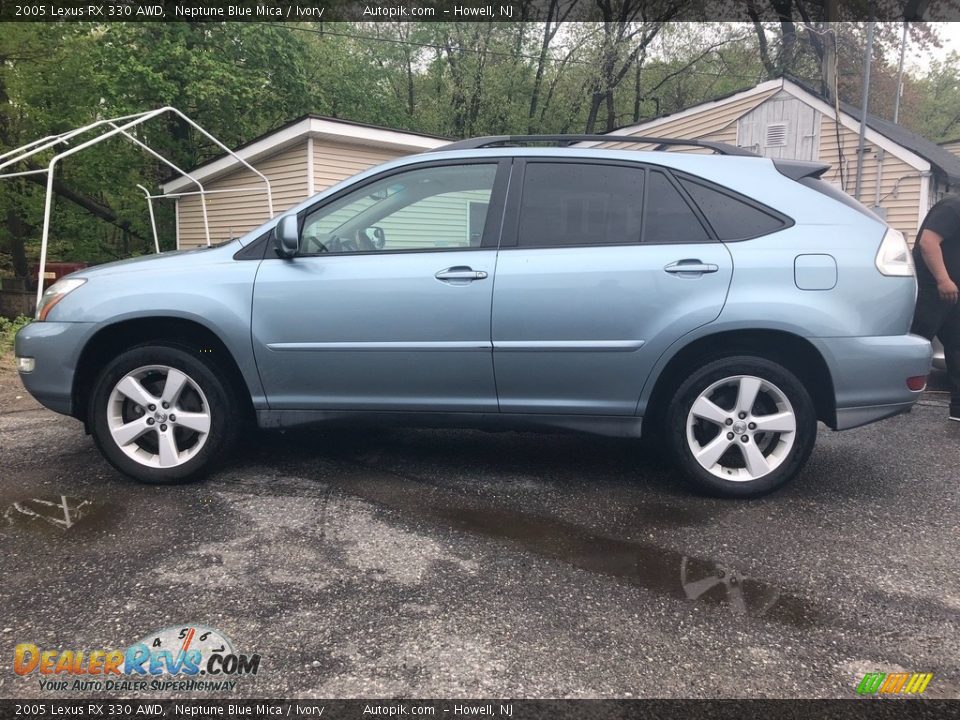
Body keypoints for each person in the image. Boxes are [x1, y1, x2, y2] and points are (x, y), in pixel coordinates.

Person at [911, 193, 960, 421]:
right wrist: (943, 279)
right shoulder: (952, 207)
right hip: (932, 290)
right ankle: (894, 399)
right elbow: (928, 242)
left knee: (958, 346)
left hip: (954, 292)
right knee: (916, 343)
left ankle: (958, 409)